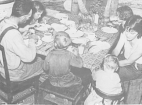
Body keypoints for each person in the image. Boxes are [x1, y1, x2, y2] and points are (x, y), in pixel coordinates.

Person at [0, 0, 43, 81]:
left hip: (3, 67)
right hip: (14, 73)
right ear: (23, 17)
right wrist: (31, 40)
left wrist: (21, 37)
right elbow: (29, 58)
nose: (28, 19)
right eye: (28, 17)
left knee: (39, 60)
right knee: (46, 63)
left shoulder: (3, 23)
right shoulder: (14, 34)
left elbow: (6, 41)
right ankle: (40, 88)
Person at [112, 15, 142, 81]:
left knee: (111, 73)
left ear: (139, 32)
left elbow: (129, 62)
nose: (128, 35)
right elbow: (117, 49)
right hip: (125, 59)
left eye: (132, 33)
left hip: (135, 68)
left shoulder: (141, 43)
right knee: (104, 63)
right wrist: (111, 59)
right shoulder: (125, 33)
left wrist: (111, 64)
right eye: (126, 30)